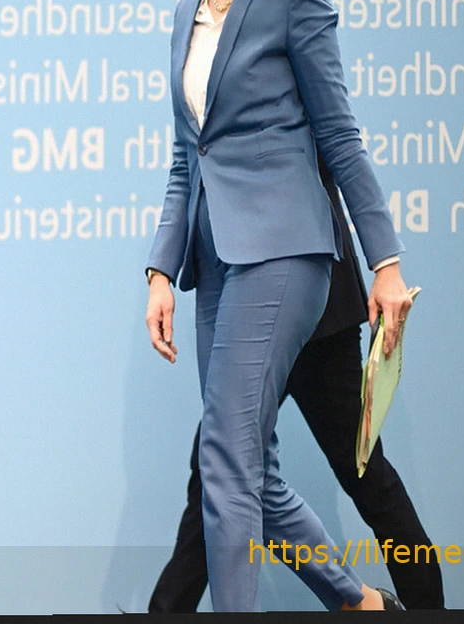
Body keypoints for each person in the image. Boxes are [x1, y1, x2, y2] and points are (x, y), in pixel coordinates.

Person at [143, 0, 415, 612]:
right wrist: (160, 270)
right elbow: (187, 159)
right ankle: (358, 603)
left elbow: (340, 135)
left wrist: (386, 262)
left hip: (286, 252)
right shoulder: (186, 10)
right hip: (215, 262)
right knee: (242, 467)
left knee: (229, 465)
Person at [147, 155, 445, 612]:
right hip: (244, 302)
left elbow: (341, 148)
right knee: (218, 471)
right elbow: (192, 169)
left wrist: (386, 266)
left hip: (315, 305)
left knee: (364, 475)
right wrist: (161, 271)